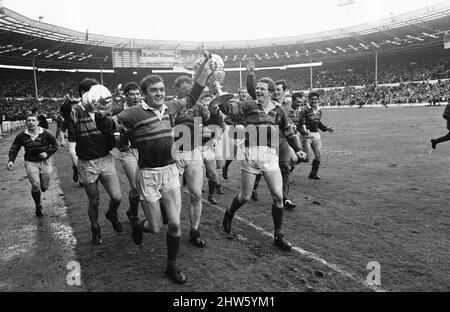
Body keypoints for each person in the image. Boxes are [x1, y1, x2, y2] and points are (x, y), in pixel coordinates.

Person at [94, 54, 215, 284]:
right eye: (153, 90)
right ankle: (140, 225)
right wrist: (100, 113)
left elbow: (192, 97)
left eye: (161, 89)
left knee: (176, 224)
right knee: (157, 227)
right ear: (145, 93)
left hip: (170, 172)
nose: (159, 93)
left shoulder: (170, 107)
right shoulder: (132, 113)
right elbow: (110, 126)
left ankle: (171, 266)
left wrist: (205, 74)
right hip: (148, 175)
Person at [218, 74, 308, 251]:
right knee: (245, 196)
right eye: (257, 88)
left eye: (262, 89)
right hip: (250, 154)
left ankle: (278, 235)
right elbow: (229, 109)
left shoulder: (279, 110)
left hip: (269, 156)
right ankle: (229, 214)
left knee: (278, 197)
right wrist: (220, 98)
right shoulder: (249, 105)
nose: (258, 91)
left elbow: (289, 131)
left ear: (271, 93)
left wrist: (298, 148)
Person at [60, 79, 123, 245]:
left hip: (106, 159)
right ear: (83, 94)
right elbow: (68, 115)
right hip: (87, 163)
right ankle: (95, 228)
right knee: (94, 201)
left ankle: (111, 213)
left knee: (116, 198)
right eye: (91, 92)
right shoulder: (76, 110)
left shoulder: (102, 109)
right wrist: (66, 106)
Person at [246, 63, 300, 209]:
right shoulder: (266, 102)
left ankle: (284, 198)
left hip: (282, 140)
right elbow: (253, 91)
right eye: (274, 90)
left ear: (284, 92)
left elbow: (289, 125)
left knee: (287, 166)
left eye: (278, 90)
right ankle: (255, 186)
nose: (276, 92)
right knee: (262, 166)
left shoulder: (287, 106)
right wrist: (251, 75)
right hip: (268, 141)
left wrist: (296, 142)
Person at [173, 91, 210, 247]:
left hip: (194, 152)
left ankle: (194, 231)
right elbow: (167, 130)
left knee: (196, 194)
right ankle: (175, 230)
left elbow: (208, 120)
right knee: (176, 198)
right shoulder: (173, 107)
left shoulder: (199, 107)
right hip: (176, 155)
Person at [7, 112, 59, 217]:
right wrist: (11, 160)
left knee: (44, 187)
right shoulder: (22, 135)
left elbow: (55, 145)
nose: (31, 123)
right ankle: (38, 205)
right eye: (29, 121)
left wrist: (47, 153)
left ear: (38, 122)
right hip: (31, 162)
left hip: (45, 161)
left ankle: (41, 183)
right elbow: (15, 147)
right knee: (35, 186)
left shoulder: (46, 133)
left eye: (33, 120)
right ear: (26, 122)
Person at [112, 82, 142, 224]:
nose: (136, 97)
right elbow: (110, 129)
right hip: (127, 151)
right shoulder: (118, 110)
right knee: (135, 185)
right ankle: (135, 214)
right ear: (126, 96)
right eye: (132, 94)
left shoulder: (144, 108)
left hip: (143, 149)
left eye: (137, 94)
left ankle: (131, 210)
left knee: (147, 184)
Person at [298, 92, 335, 180]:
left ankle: (313, 174)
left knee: (318, 155)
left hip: (315, 135)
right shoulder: (304, 110)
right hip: (306, 135)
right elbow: (298, 124)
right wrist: (304, 133)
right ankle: (287, 169)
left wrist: (326, 128)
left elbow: (318, 123)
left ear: (318, 100)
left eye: (315, 99)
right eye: (312, 99)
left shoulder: (319, 111)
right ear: (309, 100)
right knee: (306, 157)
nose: (314, 101)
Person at [201, 93, 225, 204]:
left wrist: (216, 136)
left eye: (209, 99)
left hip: (212, 145)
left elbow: (221, 127)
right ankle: (210, 195)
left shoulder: (217, 113)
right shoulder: (198, 112)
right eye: (205, 99)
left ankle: (213, 188)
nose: (207, 101)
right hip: (199, 147)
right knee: (211, 173)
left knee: (218, 167)